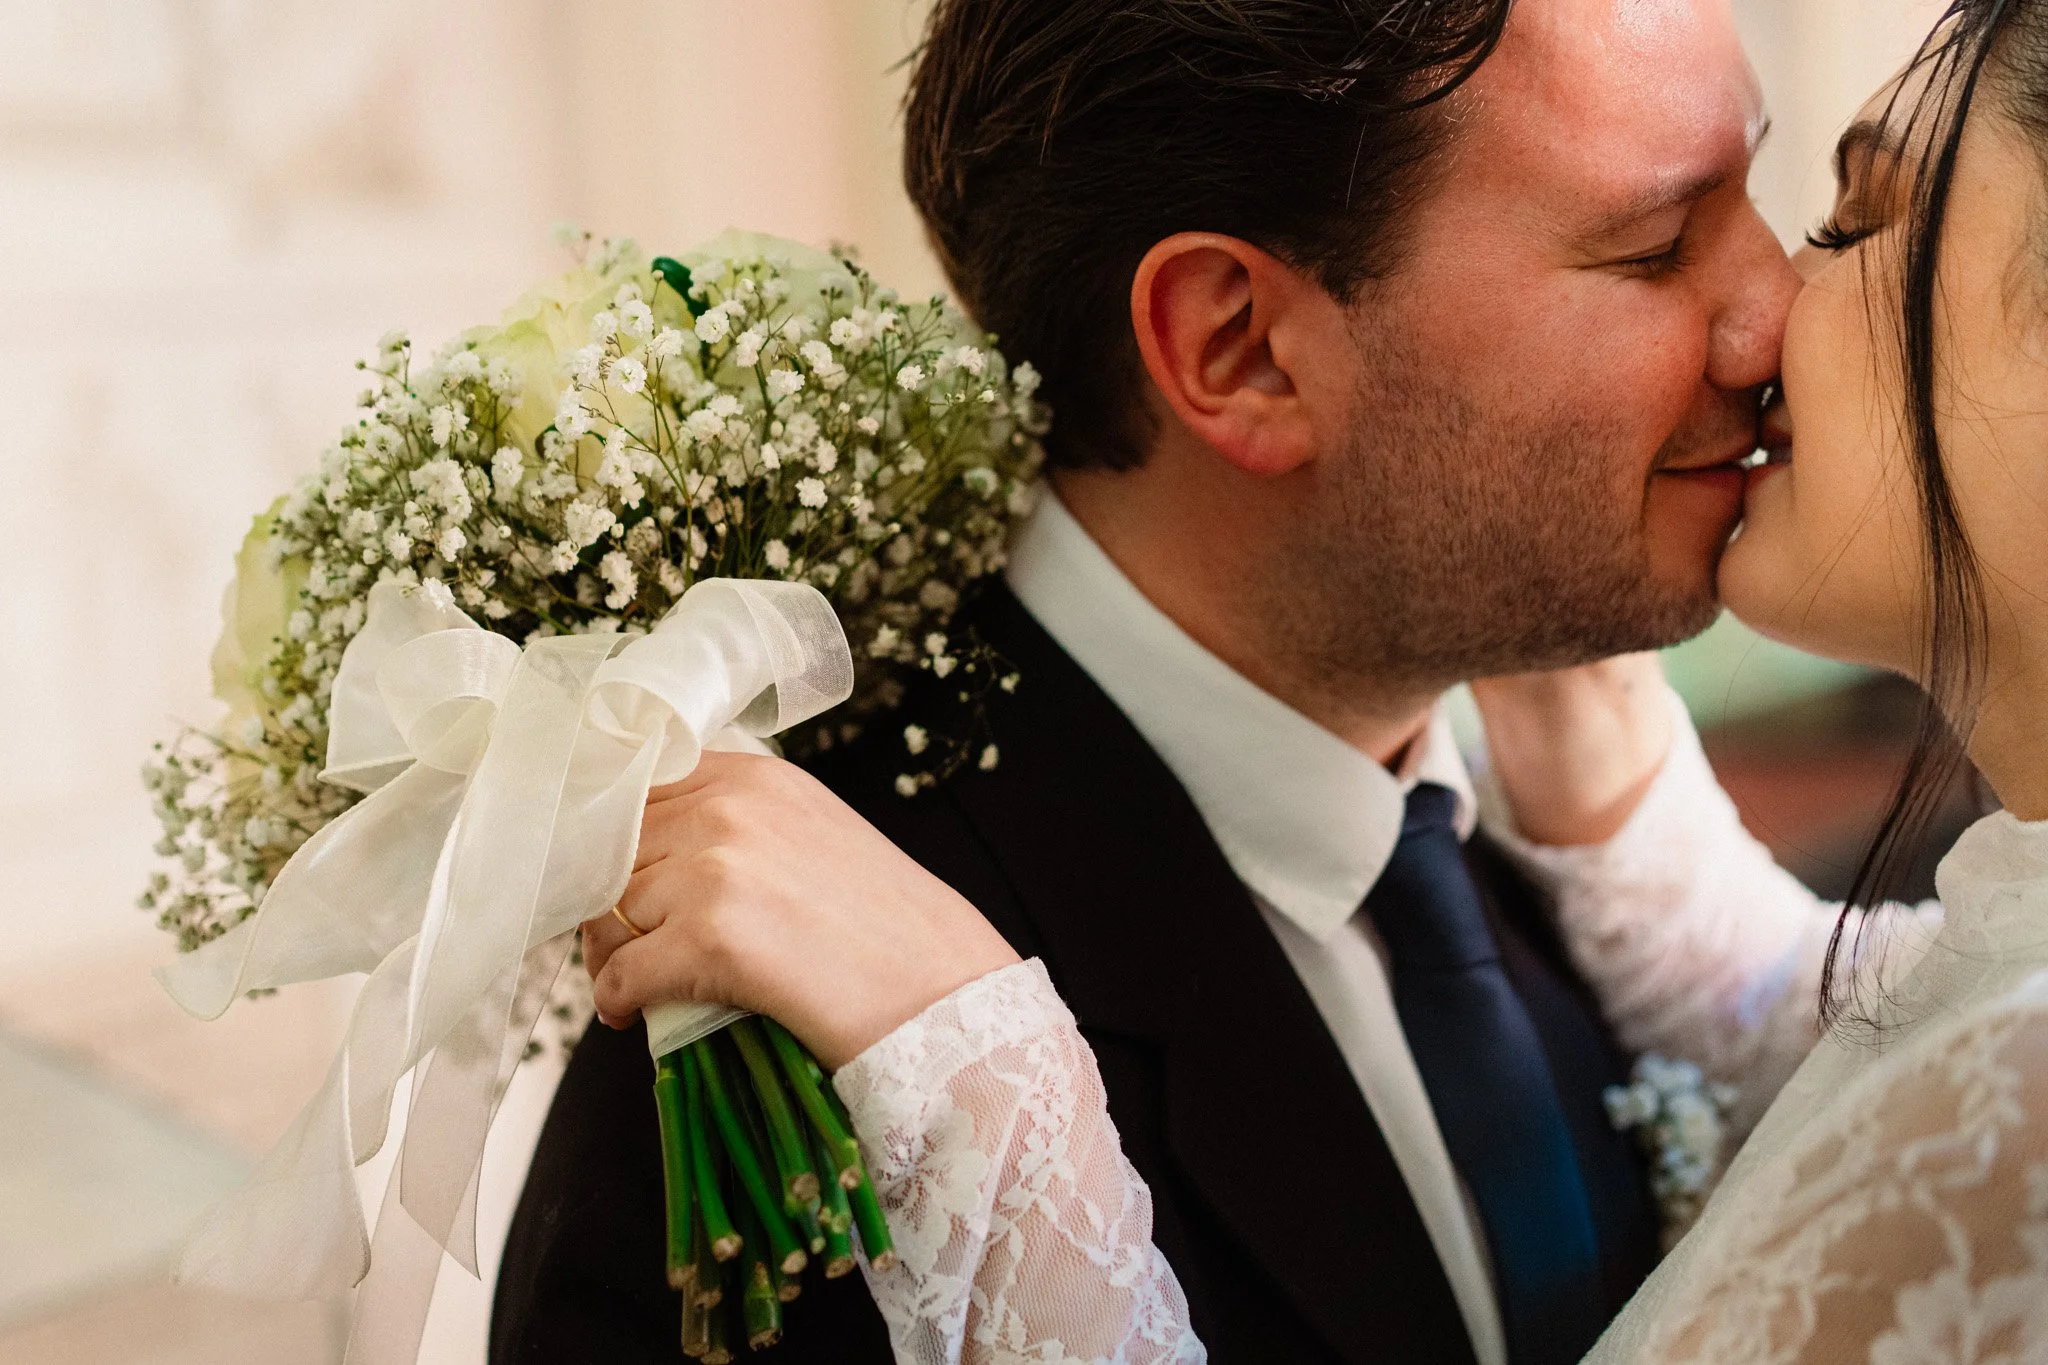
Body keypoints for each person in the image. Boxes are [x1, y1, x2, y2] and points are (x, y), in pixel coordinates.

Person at [489, 0, 1809, 1361]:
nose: (1779, 318)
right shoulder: (796, 1062)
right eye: (1657, 248)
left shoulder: (1575, 835)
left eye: (1761, 195)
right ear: (1237, 348)